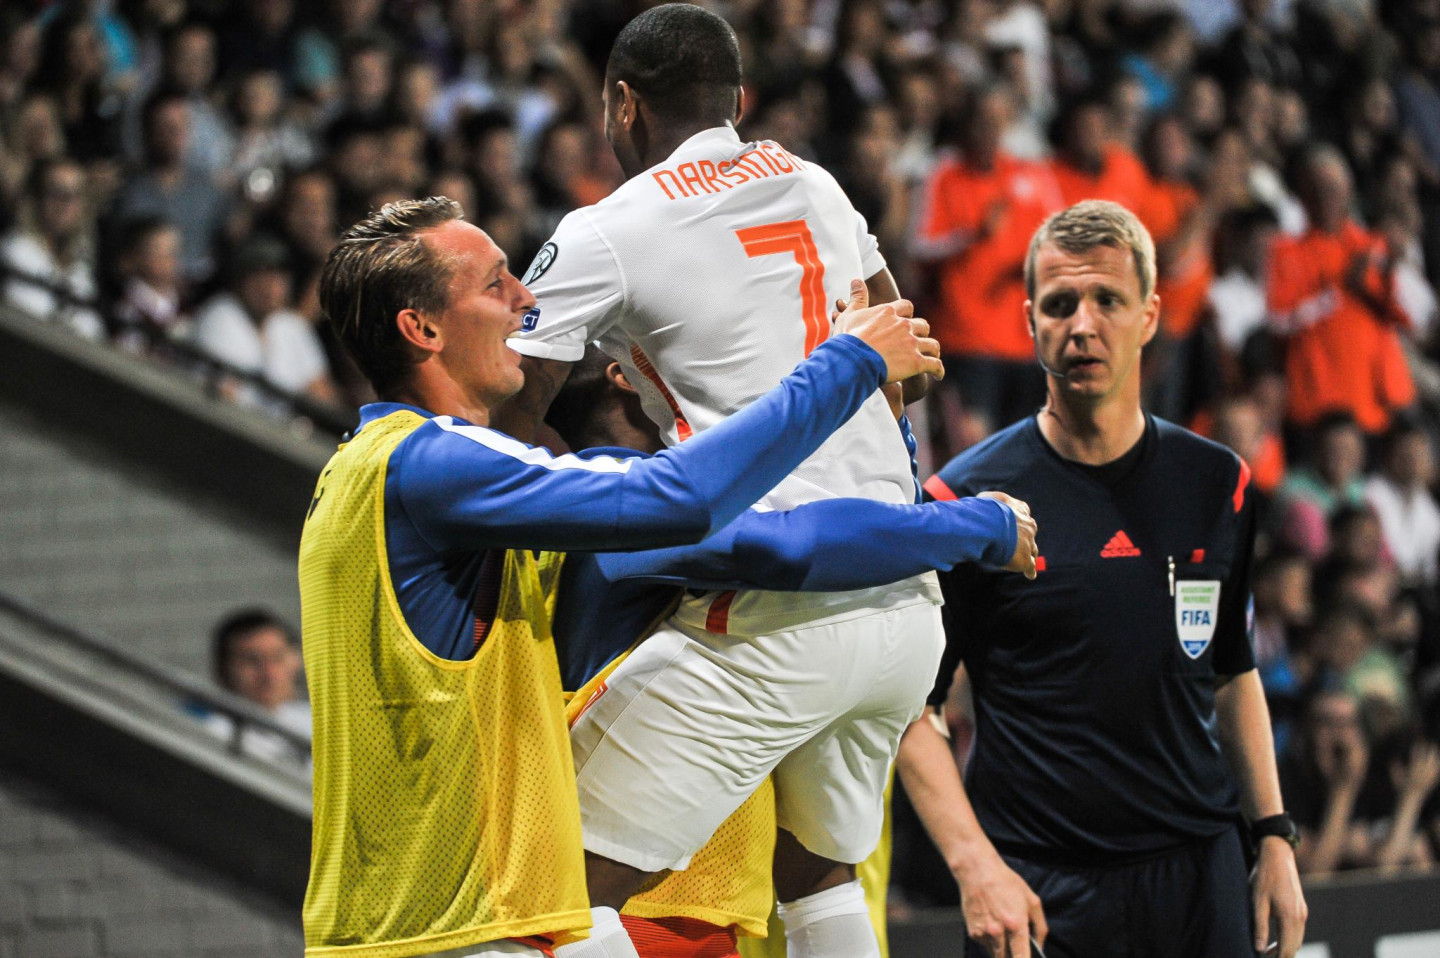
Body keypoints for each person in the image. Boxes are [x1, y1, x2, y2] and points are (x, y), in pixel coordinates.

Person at [298, 194, 943, 958]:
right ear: (423, 329)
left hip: (398, 919)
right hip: (471, 923)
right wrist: (850, 366)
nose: (527, 299)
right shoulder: (436, 464)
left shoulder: (359, 474)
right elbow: (692, 504)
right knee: (817, 872)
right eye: (497, 282)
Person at [498, 9, 990, 957]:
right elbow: (915, 363)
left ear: (624, 103)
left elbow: (504, 413)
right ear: (736, 100)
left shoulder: (608, 230)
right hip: (902, 611)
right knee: (817, 878)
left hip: (772, 611)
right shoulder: (817, 184)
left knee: (547, 886)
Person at [899, 201, 1308, 958]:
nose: (1082, 325)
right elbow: (908, 713)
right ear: (1030, 321)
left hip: (1200, 879)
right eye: (1060, 304)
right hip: (1037, 891)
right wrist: (975, 867)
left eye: (1108, 301)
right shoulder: (962, 502)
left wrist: (1274, 836)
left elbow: (1231, 669)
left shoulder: (1218, 483)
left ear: (1149, 316)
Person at [543, 347, 1035, 958]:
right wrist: (976, 526)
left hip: (697, 878)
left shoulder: (609, 490)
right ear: (629, 376)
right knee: (563, 904)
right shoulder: (622, 490)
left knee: (821, 878)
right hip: (644, 896)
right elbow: (795, 544)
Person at [191, 607, 311, 766]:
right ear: (223, 670)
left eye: (278, 658)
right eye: (253, 661)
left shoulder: (315, 720)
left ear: (297, 660)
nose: (269, 674)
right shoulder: (208, 736)